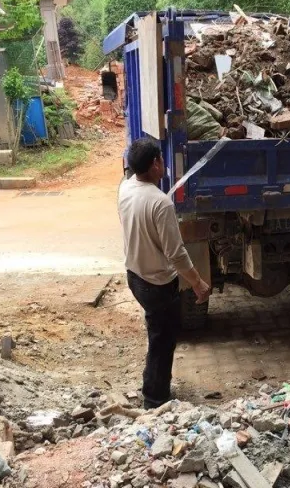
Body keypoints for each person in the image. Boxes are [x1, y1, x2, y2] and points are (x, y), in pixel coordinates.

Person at [118, 138, 210, 409]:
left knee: (157, 333)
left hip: (134, 275)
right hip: (156, 283)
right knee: (163, 339)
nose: (164, 164)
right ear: (154, 164)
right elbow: (177, 253)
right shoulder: (160, 203)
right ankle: (155, 400)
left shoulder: (125, 188)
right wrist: (198, 282)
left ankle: (153, 385)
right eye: (160, 159)